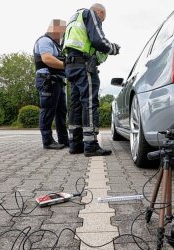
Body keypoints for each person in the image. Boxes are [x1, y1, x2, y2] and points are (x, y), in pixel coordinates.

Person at [63, 3, 120, 156]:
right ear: (100, 12)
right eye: (103, 19)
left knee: (75, 105)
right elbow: (98, 39)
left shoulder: (73, 19)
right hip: (84, 66)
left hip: (71, 65)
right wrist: (113, 48)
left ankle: (75, 145)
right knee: (89, 103)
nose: (101, 22)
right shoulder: (91, 14)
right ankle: (90, 145)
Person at [33, 19, 69, 150]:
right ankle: (47, 141)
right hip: (47, 80)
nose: (63, 34)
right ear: (55, 29)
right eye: (62, 31)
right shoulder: (45, 41)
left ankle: (64, 139)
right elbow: (47, 59)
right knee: (48, 111)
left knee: (61, 112)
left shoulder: (56, 45)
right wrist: (67, 66)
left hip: (57, 81)